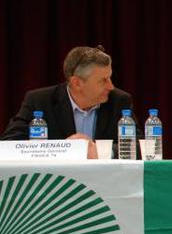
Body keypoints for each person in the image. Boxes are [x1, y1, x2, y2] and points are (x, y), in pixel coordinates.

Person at [1, 45, 137, 158]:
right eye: (103, 80)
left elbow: (141, 146)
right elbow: (8, 144)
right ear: (77, 83)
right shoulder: (40, 101)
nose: (111, 86)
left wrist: (103, 152)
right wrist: (61, 149)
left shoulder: (119, 101)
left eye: (110, 78)